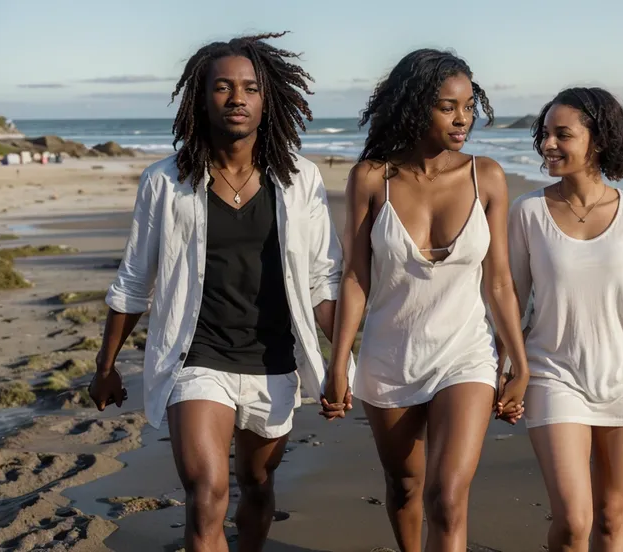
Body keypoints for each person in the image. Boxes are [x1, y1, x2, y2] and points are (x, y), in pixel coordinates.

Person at [88, 32, 350, 552]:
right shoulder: (166, 182)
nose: (237, 98)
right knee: (206, 492)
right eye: (223, 87)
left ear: (266, 98)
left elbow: (324, 279)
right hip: (196, 357)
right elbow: (135, 280)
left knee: (256, 485)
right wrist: (105, 364)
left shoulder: (300, 181)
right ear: (199, 97)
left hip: (274, 360)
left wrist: (342, 360)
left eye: (250, 88)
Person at [322, 49, 530, 551]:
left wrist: (518, 363)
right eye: (447, 106)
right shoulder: (373, 178)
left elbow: (498, 281)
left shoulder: (489, 177)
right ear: (415, 107)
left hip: (466, 355)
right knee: (406, 487)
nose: (463, 119)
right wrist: (339, 362)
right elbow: (355, 277)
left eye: (468, 105)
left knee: (447, 497)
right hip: (389, 357)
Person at [505, 87, 623, 552]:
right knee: (574, 522)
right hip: (553, 375)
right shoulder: (528, 212)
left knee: (611, 522)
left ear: (598, 140)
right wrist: (506, 369)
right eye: (545, 134)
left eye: (562, 135)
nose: (548, 144)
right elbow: (510, 300)